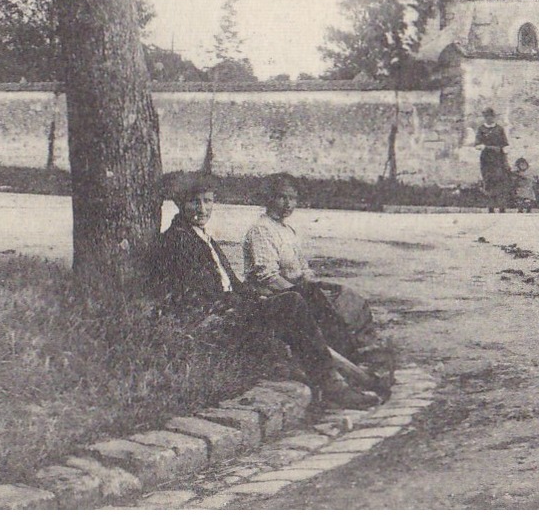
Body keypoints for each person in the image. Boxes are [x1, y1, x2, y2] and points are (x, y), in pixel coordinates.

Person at [151, 176, 379, 410]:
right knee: (292, 302)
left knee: (300, 299)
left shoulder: (199, 235)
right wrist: (243, 303)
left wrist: (252, 297)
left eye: (207, 201)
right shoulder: (178, 240)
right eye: (194, 202)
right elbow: (199, 294)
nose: (202, 209)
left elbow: (230, 284)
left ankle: (341, 369)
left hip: (229, 308)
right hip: (213, 320)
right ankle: (332, 384)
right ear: (180, 204)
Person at [242, 176, 382, 377]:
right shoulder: (261, 230)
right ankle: (342, 361)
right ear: (269, 198)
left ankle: (357, 350)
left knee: (345, 296)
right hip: (272, 294)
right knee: (318, 302)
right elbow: (267, 277)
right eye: (282, 197)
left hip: (295, 288)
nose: (289, 204)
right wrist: (303, 291)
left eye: (293, 198)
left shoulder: (288, 230)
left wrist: (315, 283)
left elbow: (302, 268)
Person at [474, 107, 512, 213]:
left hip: (498, 158)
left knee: (500, 181)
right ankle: (491, 206)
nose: (489, 119)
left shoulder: (499, 129)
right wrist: (484, 147)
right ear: (484, 117)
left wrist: (504, 153)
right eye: (486, 116)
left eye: (490, 116)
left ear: (494, 117)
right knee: (489, 181)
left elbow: (505, 143)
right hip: (486, 159)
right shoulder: (481, 129)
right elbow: (477, 144)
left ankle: (501, 207)